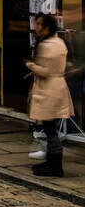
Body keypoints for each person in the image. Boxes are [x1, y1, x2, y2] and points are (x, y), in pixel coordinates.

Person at [25, 13, 72, 177]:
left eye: (39, 25)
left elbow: (45, 70)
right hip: (57, 88)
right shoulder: (58, 42)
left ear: (47, 27)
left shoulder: (48, 45)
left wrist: (29, 64)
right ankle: (51, 162)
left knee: (50, 129)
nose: (36, 28)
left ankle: (55, 166)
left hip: (49, 90)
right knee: (49, 128)